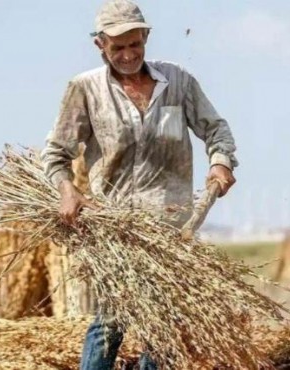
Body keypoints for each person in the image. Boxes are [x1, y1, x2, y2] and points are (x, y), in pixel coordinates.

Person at [40, 1, 238, 368]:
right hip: (115, 226)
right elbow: (55, 153)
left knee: (161, 326)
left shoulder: (177, 82)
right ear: (100, 45)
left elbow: (215, 129)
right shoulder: (85, 89)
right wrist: (68, 190)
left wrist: (220, 163)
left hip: (171, 225)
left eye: (135, 44)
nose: (128, 55)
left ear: (146, 37)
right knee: (110, 319)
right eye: (118, 48)